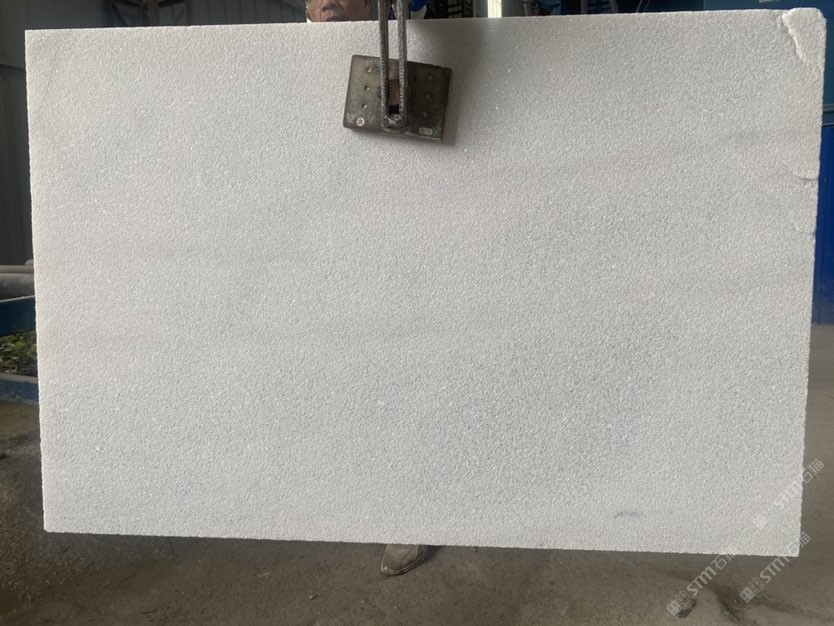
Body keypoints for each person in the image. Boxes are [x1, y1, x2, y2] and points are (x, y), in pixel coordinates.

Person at [305, 0, 430, 577]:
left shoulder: (413, 42)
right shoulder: (274, 57)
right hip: (320, 245)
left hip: (402, 243)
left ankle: (406, 508)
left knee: (403, 374)